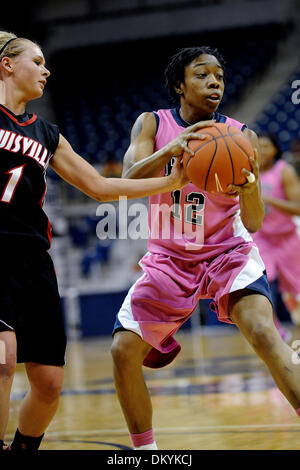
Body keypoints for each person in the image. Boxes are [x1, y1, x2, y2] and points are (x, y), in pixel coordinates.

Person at [0, 32, 206, 451]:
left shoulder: (46, 133)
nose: (46, 69)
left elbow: (98, 185)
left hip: (34, 263)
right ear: (6, 64)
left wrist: (170, 180)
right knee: (1, 362)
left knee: (49, 384)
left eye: (46, 63)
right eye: (36, 61)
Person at [111, 46, 300, 450]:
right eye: (202, 74)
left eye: (219, 76)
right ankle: (146, 450)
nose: (214, 81)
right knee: (123, 350)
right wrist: (171, 151)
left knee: (265, 334)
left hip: (226, 252)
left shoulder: (241, 135)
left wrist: (250, 190)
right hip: (169, 258)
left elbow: (253, 222)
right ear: (180, 85)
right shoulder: (152, 123)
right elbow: (127, 181)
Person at [252, 132, 300, 331]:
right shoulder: (248, 174)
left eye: (265, 146)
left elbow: (298, 207)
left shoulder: (284, 171)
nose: (261, 151)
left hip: (287, 238)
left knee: (294, 290)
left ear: (274, 150)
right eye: (258, 146)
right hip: (261, 238)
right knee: (260, 284)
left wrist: (270, 200)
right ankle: (275, 334)